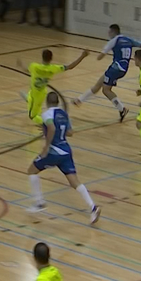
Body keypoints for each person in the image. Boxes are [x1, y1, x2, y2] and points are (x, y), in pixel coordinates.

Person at [24, 93, 102, 224]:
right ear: (57, 102)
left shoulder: (47, 114)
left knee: (32, 171)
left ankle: (39, 202)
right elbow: (70, 132)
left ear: (47, 103)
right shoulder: (63, 114)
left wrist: (46, 147)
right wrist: (48, 129)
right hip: (66, 151)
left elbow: (52, 128)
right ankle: (93, 207)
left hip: (54, 151)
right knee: (75, 182)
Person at [73, 24, 141, 122]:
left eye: (109, 32)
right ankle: (79, 100)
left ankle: (122, 109)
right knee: (98, 84)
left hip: (115, 68)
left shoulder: (113, 41)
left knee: (106, 90)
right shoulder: (128, 39)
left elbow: (99, 57)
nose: (108, 34)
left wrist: (93, 54)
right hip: (123, 69)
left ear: (113, 32)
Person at [19, 48, 88, 125]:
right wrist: (82, 56)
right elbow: (70, 66)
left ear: (42, 57)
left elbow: (27, 70)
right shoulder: (53, 68)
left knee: (33, 116)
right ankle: (28, 99)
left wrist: (21, 65)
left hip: (35, 94)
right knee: (32, 101)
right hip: (42, 92)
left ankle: (48, 123)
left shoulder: (34, 66)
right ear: (51, 58)